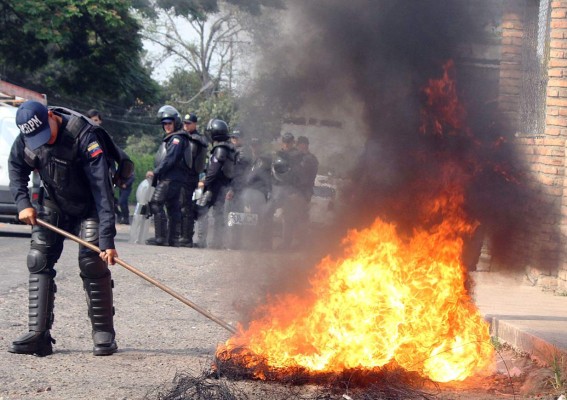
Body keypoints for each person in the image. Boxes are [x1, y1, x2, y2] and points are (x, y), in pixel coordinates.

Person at [8, 100, 120, 356]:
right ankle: (39, 335)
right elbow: (16, 168)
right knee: (38, 258)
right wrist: (23, 203)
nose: (43, 141)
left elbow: (103, 191)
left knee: (92, 261)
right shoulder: (27, 137)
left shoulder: (84, 136)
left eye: (44, 134)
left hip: (90, 204)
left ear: (50, 116)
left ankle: (104, 335)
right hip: (54, 201)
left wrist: (107, 241)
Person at [146, 105, 197, 247]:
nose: (167, 126)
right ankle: (172, 238)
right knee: (173, 207)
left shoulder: (177, 139)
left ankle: (161, 237)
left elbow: (170, 159)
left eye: (169, 123)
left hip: (171, 178)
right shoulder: (177, 137)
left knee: (156, 203)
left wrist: (155, 172)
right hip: (174, 178)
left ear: (175, 122)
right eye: (164, 124)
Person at [195, 119, 235, 249]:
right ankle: (217, 242)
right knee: (218, 213)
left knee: (202, 209)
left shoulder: (220, 149)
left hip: (214, 185)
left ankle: (202, 241)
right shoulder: (228, 148)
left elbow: (213, 170)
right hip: (222, 185)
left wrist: (205, 183)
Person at [176, 113, 207, 247]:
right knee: (180, 206)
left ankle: (186, 236)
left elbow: (189, 158)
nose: (186, 125)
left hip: (189, 177)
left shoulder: (195, 140)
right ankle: (180, 234)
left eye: (189, 123)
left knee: (185, 207)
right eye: (185, 123)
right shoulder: (186, 137)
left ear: (195, 124)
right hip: (182, 177)